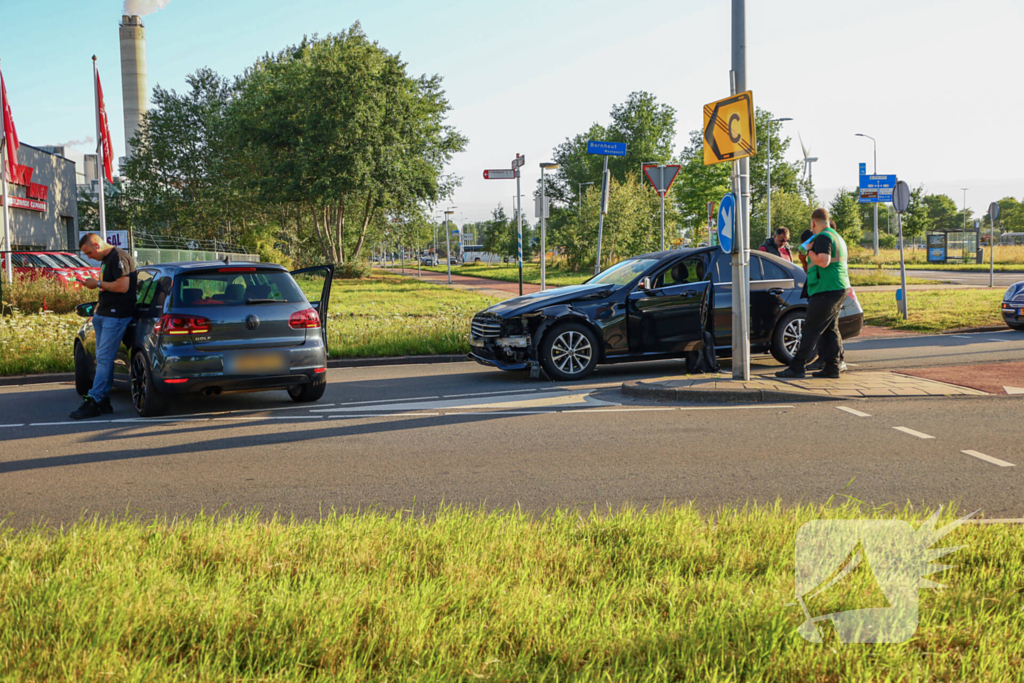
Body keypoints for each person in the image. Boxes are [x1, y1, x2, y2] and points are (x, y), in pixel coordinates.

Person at [69, 233, 138, 419]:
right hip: (104, 314)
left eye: (89, 252)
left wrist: (97, 283)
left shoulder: (119, 258)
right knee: (101, 359)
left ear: (97, 245)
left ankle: (96, 399)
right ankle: (103, 401)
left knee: (105, 359)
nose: (89, 257)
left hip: (116, 316)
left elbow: (123, 286)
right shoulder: (108, 259)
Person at [776, 207, 850, 379]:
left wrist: (810, 251)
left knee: (811, 329)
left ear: (813, 223)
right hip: (838, 287)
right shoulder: (836, 237)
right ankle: (832, 367)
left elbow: (823, 262)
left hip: (826, 288)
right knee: (830, 329)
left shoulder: (823, 237)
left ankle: (797, 367)